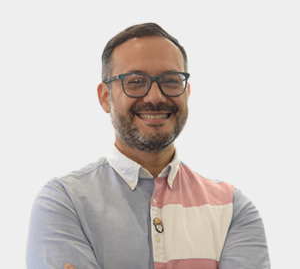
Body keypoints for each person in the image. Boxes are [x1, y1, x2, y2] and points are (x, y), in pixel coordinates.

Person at [26, 23, 270, 269]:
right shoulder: (63, 203)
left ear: (187, 93)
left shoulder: (232, 209)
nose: (155, 97)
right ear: (105, 97)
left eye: (171, 81)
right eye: (135, 81)